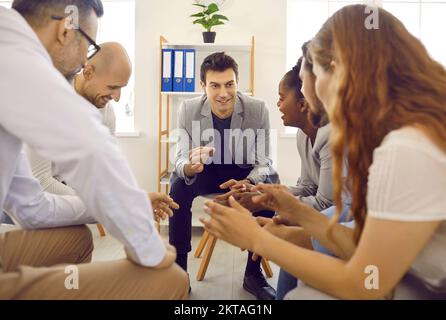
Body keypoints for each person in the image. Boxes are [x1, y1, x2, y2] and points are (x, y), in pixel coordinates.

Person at [200, 4, 446, 299]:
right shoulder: (411, 132)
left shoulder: (406, 148)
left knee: (302, 296)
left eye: (313, 74)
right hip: (414, 273)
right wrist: (299, 212)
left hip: (425, 285)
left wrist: (257, 238)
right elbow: (364, 243)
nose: (309, 92)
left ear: (340, 71)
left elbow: (364, 281)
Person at [0, 0, 188, 299]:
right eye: (88, 44)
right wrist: (149, 248)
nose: (84, 57)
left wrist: (132, 202)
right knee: (170, 279)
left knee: (75, 239)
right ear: (65, 29)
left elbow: (31, 209)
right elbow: (92, 152)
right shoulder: (14, 52)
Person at [23, 41, 177, 223]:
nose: (117, 98)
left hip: (61, 193)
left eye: (121, 88)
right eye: (112, 87)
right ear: (88, 72)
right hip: (20, 200)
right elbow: (40, 181)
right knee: (80, 240)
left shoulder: (106, 114)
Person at [169, 52, 278, 299]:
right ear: (203, 86)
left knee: (269, 186)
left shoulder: (257, 109)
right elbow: (179, 158)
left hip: (243, 171)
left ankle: (253, 274)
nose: (223, 93)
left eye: (230, 84)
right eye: (214, 85)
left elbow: (264, 162)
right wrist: (190, 166)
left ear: (237, 83)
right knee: (177, 188)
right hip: (206, 170)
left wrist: (250, 182)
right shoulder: (188, 109)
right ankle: (179, 272)